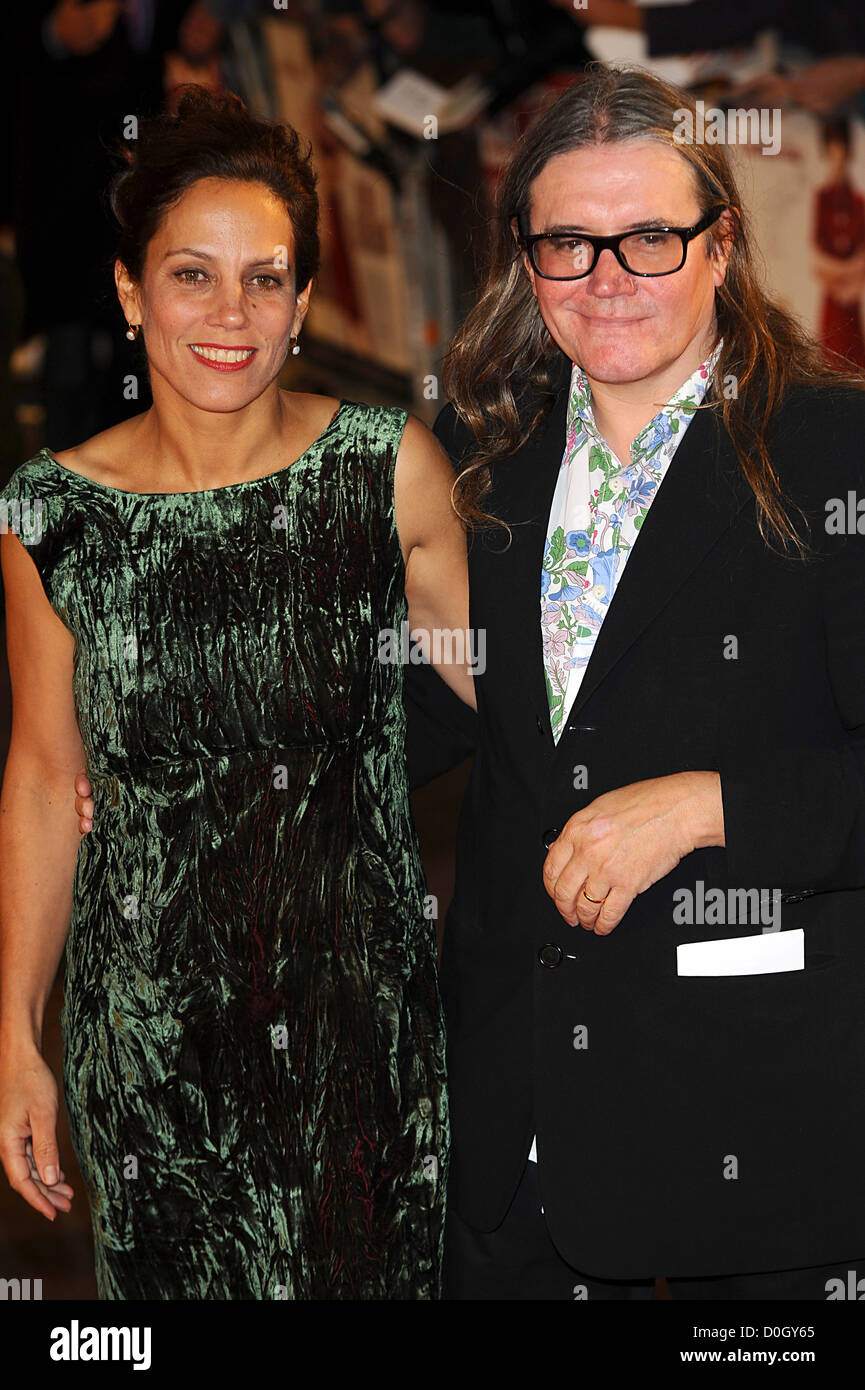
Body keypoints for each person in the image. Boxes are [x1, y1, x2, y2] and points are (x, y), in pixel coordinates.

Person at [0, 87, 474, 1300]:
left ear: (306, 303)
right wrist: (18, 1035)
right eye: (190, 275)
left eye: (265, 280)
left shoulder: (385, 471)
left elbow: (515, 705)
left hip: (356, 1053)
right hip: (150, 1051)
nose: (230, 314)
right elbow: (50, 775)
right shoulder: (49, 515)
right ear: (127, 291)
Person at [412, 63, 865, 1299]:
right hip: (513, 1138)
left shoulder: (832, 445)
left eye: (651, 239)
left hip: (758, 1153)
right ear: (524, 257)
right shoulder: (472, 452)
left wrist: (705, 806)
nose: (608, 278)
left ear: (721, 244)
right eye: (570, 242)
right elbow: (419, 720)